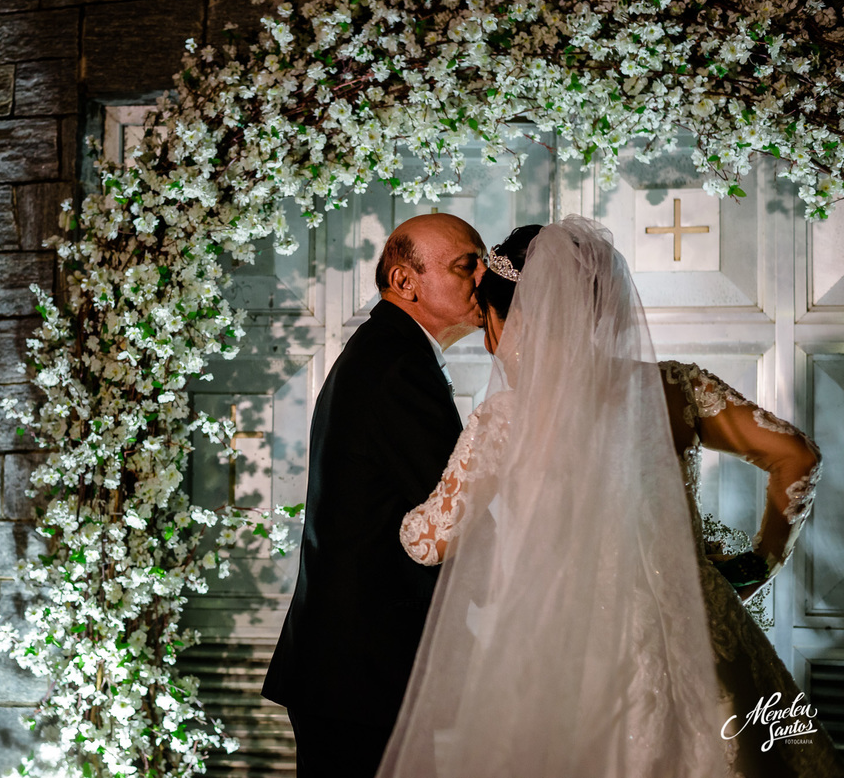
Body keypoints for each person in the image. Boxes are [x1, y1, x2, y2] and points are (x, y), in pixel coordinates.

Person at [384, 218, 843, 777]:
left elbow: (428, 542)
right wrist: (758, 563)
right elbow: (798, 456)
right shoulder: (676, 388)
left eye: (490, 322)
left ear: (519, 318)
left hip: (571, 657)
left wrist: (405, 501)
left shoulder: (504, 420)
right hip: (697, 629)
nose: (487, 342)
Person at [262, 213, 487, 778]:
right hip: (361, 674)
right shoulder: (396, 366)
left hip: (350, 668)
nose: (483, 277)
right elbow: (451, 517)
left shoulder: (390, 351)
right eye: (467, 265)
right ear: (405, 281)